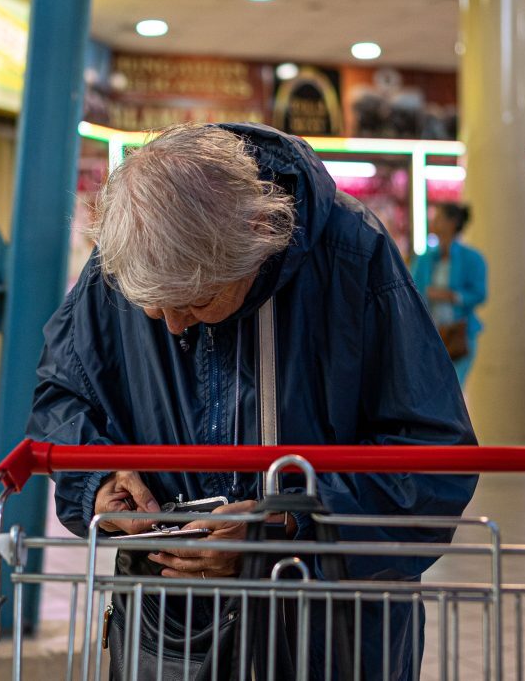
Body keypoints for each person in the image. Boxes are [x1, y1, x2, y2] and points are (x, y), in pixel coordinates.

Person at [26, 122, 477, 679]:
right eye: (152, 306)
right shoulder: (125, 254)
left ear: (259, 239)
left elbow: (433, 463)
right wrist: (95, 479)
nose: (169, 326)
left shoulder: (352, 256)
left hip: (328, 636)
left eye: (195, 301)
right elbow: (63, 395)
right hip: (168, 632)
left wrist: (286, 525)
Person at [409, 203, 488, 386]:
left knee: (453, 388)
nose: (434, 223)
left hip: (459, 334)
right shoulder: (425, 259)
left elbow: (479, 294)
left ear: (452, 223)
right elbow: (413, 290)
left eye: (438, 219)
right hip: (431, 334)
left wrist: (451, 296)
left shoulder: (472, 258)